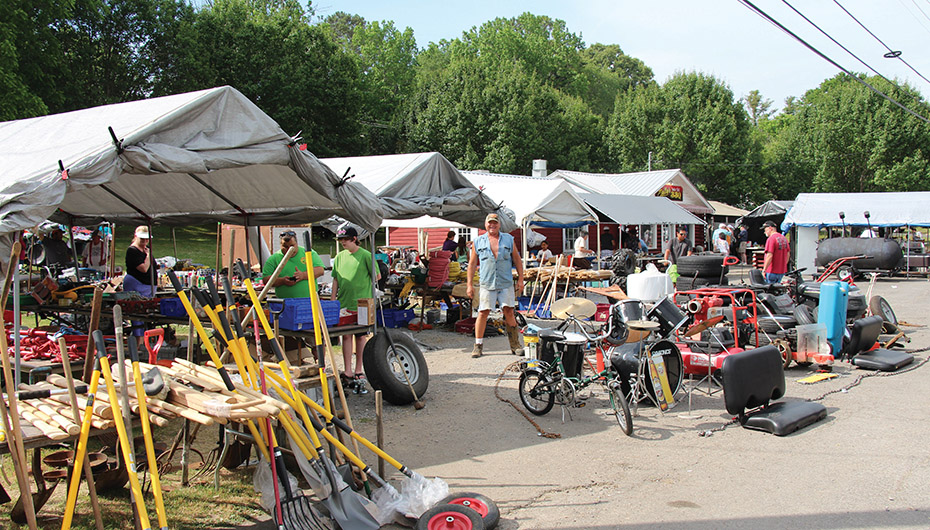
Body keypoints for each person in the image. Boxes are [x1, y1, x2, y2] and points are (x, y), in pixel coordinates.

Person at [466, 213, 525, 358]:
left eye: (495, 223)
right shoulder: (478, 241)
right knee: (483, 312)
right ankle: (478, 346)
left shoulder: (508, 239)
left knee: (509, 311)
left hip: (505, 283)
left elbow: (517, 260)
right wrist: (469, 285)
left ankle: (515, 345)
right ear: (485, 225)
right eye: (489, 223)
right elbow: (472, 264)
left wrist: (521, 280)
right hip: (487, 283)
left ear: (499, 224)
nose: (492, 225)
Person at [331, 226, 380, 394]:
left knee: (360, 336)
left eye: (345, 239)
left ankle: (359, 368)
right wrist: (332, 301)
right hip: (344, 301)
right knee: (345, 336)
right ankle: (347, 370)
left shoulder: (366, 255)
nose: (343, 242)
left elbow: (377, 276)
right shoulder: (339, 257)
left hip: (362, 302)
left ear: (354, 239)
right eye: (340, 240)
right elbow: (335, 279)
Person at [262, 230, 324, 299]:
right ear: (280, 245)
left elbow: (320, 270)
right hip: (285, 302)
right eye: (285, 246)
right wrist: (282, 281)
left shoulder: (308, 253)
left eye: (292, 246)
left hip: (309, 300)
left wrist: (303, 275)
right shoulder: (274, 259)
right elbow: (266, 280)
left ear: (297, 244)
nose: (289, 249)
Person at [124, 226, 158, 346]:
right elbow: (143, 268)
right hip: (137, 284)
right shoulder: (133, 251)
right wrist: (148, 256)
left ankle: (146, 343)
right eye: (142, 239)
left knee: (146, 316)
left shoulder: (147, 250)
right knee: (137, 315)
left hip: (148, 285)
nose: (144, 242)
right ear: (136, 237)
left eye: (146, 240)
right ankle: (138, 344)